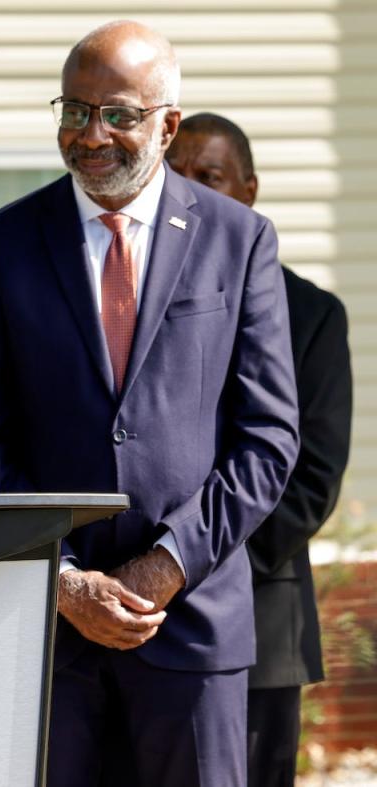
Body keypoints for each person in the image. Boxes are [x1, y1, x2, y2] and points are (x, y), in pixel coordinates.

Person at [0, 21, 300, 787]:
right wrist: (64, 579)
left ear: (167, 124)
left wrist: (163, 568)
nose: (91, 134)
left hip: (191, 625)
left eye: (118, 113)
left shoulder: (239, 241)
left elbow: (267, 438)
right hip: (47, 633)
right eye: (73, 110)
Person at [167, 113, 353, 787]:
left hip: (260, 617)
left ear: (249, 190)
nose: (188, 189)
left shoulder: (312, 313)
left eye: (208, 176)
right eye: (175, 173)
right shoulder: (122, 300)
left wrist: (188, 559)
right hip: (137, 619)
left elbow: (312, 477)